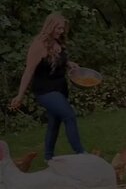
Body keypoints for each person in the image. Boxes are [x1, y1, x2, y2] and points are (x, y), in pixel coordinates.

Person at [9, 12, 86, 161]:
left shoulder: (59, 42)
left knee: (54, 122)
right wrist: (20, 95)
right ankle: (82, 154)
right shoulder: (38, 44)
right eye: (58, 28)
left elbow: (58, 62)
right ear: (50, 27)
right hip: (45, 91)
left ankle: (48, 158)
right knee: (69, 116)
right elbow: (28, 71)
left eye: (62, 28)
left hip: (61, 88)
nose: (61, 31)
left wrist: (69, 64)